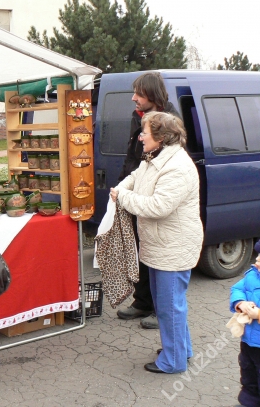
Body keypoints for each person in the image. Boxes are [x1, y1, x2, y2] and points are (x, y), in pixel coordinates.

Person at [110, 111, 203, 373]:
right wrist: (122, 188)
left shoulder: (177, 167)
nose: (140, 137)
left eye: (145, 133)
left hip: (173, 247)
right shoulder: (156, 158)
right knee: (169, 304)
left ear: (161, 137)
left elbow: (159, 206)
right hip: (161, 246)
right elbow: (136, 177)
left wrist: (123, 199)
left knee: (169, 306)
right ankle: (180, 350)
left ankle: (173, 362)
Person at [116, 72, 181, 330]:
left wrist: (141, 196)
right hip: (138, 195)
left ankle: (160, 309)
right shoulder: (139, 117)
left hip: (156, 199)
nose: (133, 98)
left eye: (139, 95)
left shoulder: (169, 123)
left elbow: (163, 168)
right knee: (141, 250)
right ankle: (142, 301)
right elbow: (133, 158)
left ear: (152, 96)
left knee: (159, 256)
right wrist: (121, 187)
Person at [229, 244, 260, 407]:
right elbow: (238, 288)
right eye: (258, 255)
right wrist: (240, 303)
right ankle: (248, 402)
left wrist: (258, 314)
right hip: (249, 341)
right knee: (248, 371)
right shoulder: (252, 275)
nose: (257, 259)